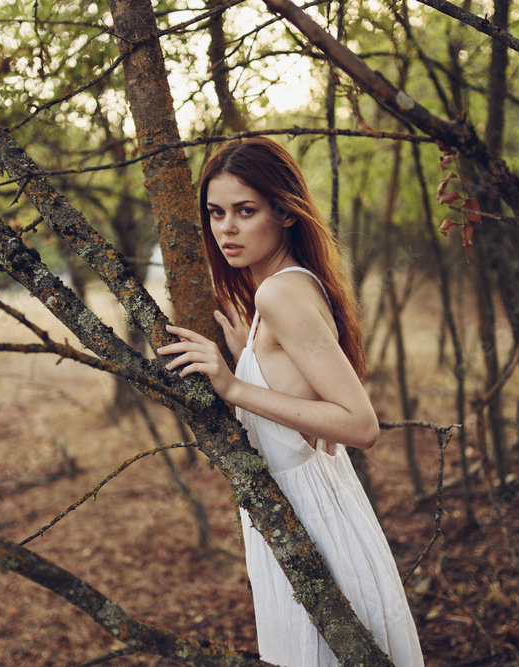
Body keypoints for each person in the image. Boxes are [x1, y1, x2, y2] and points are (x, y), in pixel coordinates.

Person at [156, 137, 424, 666]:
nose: (226, 229)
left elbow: (361, 425)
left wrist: (235, 387)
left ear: (284, 212)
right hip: (305, 520)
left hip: (316, 529)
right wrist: (249, 357)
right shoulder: (284, 289)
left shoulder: (279, 293)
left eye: (245, 211)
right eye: (215, 213)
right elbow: (301, 397)